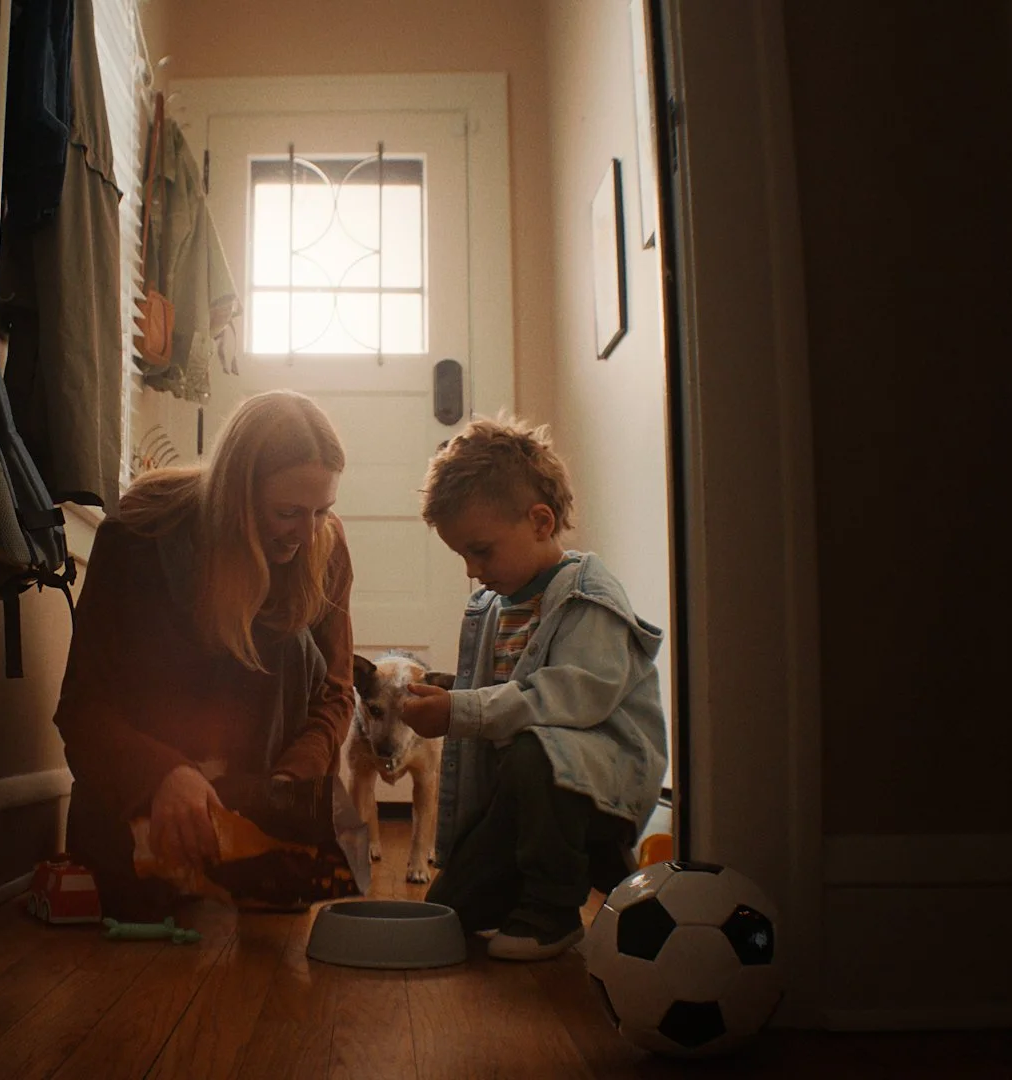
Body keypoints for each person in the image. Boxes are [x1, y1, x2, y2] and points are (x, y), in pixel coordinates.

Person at [53, 390, 356, 920]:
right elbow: (83, 707)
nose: (308, 534)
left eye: (322, 511)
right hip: (147, 801)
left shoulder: (323, 547)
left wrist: (289, 789)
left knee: (292, 637)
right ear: (237, 495)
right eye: (288, 512)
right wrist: (162, 774)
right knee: (138, 898)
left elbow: (334, 692)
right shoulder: (137, 538)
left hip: (261, 796)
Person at [400, 415, 668, 960]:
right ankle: (531, 879)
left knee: (535, 750)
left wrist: (459, 712)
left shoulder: (587, 596)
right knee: (449, 914)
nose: (473, 571)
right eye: (463, 558)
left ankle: (554, 910)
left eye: (482, 551)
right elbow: (496, 698)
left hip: (597, 783)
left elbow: (569, 697)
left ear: (541, 522)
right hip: (522, 793)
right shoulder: (495, 605)